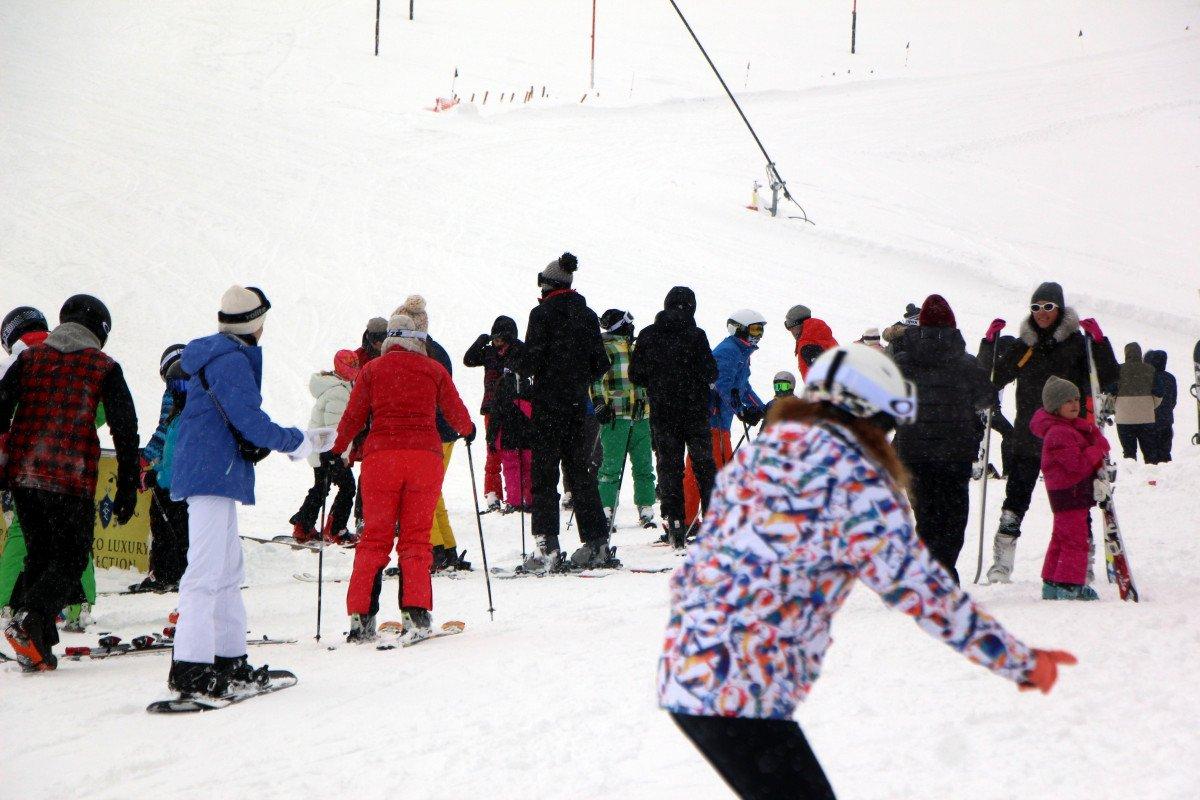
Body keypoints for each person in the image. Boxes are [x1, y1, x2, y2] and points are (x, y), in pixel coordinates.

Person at [658, 346, 1075, 799]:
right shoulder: (857, 483)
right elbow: (924, 591)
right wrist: (1019, 661)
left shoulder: (765, 454)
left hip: (690, 667)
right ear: (869, 415)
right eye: (887, 424)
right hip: (742, 689)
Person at [167, 286, 332, 697]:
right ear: (255, 323)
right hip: (212, 473)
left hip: (214, 473)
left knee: (225, 571)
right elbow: (249, 420)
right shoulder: (230, 360)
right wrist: (299, 442)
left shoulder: (216, 356)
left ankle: (229, 661)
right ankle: (191, 669)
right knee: (205, 571)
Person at [0, 295, 140, 672]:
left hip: (25, 475)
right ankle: (30, 618)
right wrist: (127, 486)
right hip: (70, 477)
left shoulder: (28, 360)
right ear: (101, 332)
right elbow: (125, 430)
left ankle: (37, 647)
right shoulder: (104, 367)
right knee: (72, 557)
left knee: (40, 555)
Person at [330, 313, 474, 643]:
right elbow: (457, 413)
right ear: (417, 340)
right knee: (415, 538)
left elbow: (353, 417)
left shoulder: (371, 371)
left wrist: (337, 450)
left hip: (381, 459)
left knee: (374, 538)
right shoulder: (433, 369)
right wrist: (468, 430)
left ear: (390, 340)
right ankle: (415, 613)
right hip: (424, 458)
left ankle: (361, 616)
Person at [979, 282, 1118, 583]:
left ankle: (1084, 562)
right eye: (1036, 307)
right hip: (1030, 436)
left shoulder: (1077, 343)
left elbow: (1108, 377)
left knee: (1076, 503)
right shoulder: (1024, 345)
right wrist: (989, 345)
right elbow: (993, 379)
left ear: (1060, 308)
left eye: (1048, 307)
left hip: (1070, 437)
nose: (1042, 313)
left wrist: (1100, 342)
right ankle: (1001, 566)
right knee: (1015, 500)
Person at [513, 252, 613, 570]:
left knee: (544, 476)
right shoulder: (587, 315)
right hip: (576, 408)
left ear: (547, 285)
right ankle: (597, 544)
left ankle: (548, 547)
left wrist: (528, 373)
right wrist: (576, 378)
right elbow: (602, 363)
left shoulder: (541, 315)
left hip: (547, 407)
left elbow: (531, 361)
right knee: (580, 475)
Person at [892, 295, 995, 583]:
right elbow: (986, 397)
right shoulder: (966, 363)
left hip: (915, 453)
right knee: (953, 518)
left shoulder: (903, 362)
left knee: (927, 517)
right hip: (955, 453)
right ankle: (944, 573)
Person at [629, 287, 718, 549]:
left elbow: (636, 375)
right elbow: (711, 372)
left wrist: (659, 380)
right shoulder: (696, 335)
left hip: (664, 413)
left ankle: (675, 524)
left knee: (670, 468)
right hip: (695, 412)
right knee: (704, 466)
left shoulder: (648, 335)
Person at [396, 295, 472, 572]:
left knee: (422, 492)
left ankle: (436, 551)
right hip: (443, 429)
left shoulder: (423, 354)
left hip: (433, 431)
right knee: (432, 491)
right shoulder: (434, 350)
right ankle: (446, 549)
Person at [681, 308, 766, 528]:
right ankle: (700, 520)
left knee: (705, 469)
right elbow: (722, 386)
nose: (758, 335)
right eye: (755, 329)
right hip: (713, 420)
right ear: (740, 329)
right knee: (716, 471)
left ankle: (689, 518)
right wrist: (741, 411)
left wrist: (761, 408)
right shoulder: (729, 351)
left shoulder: (741, 353)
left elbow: (742, 387)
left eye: (761, 330)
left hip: (719, 421)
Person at [1032, 377, 1110, 601]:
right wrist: (1097, 449)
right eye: (1067, 401)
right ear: (1055, 406)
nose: (1075, 404)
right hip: (1071, 492)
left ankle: (1052, 582)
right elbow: (1077, 466)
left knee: (1061, 537)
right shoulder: (1060, 433)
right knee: (1076, 540)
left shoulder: (1067, 428)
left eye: (1076, 399)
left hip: (1068, 493)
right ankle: (1069, 585)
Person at [131, 343, 192, 592]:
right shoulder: (198, 390)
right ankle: (177, 571)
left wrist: (147, 461)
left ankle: (166, 573)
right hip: (183, 476)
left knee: (165, 522)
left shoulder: (176, 391)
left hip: (171, 474)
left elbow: (164, 431)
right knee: (181, 525)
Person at [592, 309, 657, 529]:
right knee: (611, 465)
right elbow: (596, 379)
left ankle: (646, 506)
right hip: (616, 415)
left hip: (640, 415)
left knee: (644, 465)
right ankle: (606, 508)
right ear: (619, 325)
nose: (632, 326)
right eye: (628, 322)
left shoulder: (636, 348)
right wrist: (600, 402)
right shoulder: (606, 347)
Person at [290, 349, 359, 544]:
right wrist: (341, 455)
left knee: (321, 488)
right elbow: (335, 428)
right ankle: (336, 529)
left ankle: (303, 525)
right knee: (347, 487)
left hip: (321, 450)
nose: (355, 369)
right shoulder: (339, 391)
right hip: (329, 451)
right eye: (352, 365)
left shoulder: (336, 386)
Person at [463, 315, 520, 511]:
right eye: (494, 339)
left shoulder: (518, 351)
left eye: (500, 339)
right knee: (493, 450)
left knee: (512, 450)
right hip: (491, 408)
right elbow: (468, 359)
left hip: (514, 408)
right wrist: (481, 340)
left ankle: (514, 493)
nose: (496, 343)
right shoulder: (488, 353)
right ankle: (492, 493)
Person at [1113, 343, 1160, 461]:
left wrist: (1117, 405)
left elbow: (1110, 391)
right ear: (1140, 353)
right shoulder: (1150, 369)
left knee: (1129, 453)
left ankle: (1131, 476)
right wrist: (1151, 405)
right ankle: (1151, 476)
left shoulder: (1118, 370)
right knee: (1149, 452)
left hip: (1124, 419)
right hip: (1146, 417)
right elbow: (1159, 392)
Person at [784, 304, 838, 378]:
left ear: (798, 325)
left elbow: (823, 377)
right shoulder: (824, 337)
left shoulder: (808, 346)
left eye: (791, 328)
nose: (791, 331)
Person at [1144, 350, 1175, 463]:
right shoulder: (1171, 378)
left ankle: (1152, 478)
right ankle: (1168, 475)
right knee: (1165, 453)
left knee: (1151, 456)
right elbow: (1173, 400)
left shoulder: (1147, 377)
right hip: (1166, 420)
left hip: (1149, 420)